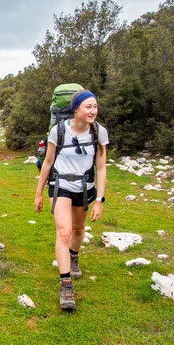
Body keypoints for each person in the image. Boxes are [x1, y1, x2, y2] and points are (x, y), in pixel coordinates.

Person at [34, 89, 109, 310]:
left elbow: (102, 167)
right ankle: (65, 284)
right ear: (76, 109)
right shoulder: (58, 131)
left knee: (79, 230)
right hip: (60, 186)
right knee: (64, 232)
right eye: (88, 106)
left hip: (84, 188)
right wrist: (39, 192)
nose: (93, 111)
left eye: (95, 106)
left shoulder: (99, 132)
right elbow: (47, 162)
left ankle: (73, 257)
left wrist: (100, 200)